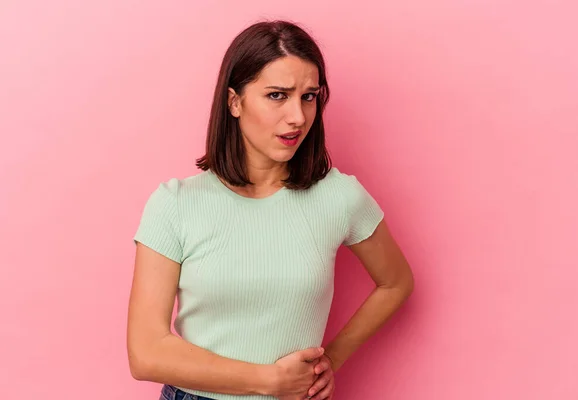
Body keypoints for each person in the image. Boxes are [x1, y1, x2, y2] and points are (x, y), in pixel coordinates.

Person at [127, 20, 414, 400]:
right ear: (234, 102)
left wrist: (332, 359)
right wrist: (269, 381)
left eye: (309, 96)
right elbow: (145, 353)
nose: (298, 116)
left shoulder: (338, 197)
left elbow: (396, 283)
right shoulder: (176, 204)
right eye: (278, 95)